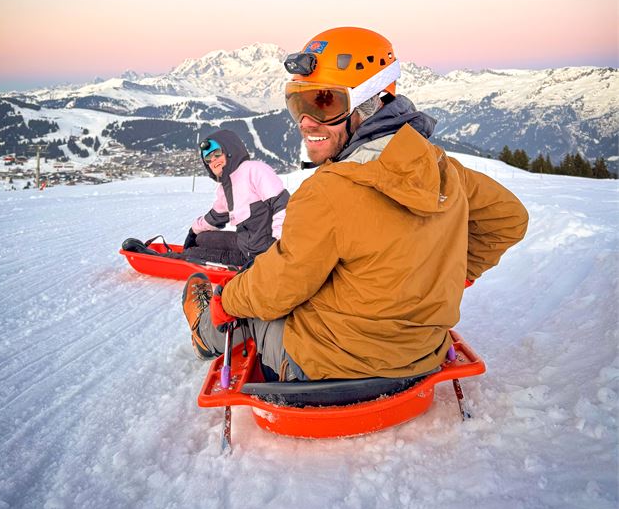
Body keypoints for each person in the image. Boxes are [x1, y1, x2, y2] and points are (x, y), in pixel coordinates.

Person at [183, 27, 529, 379]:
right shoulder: (439, 167)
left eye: (324, 104)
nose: (306, 123)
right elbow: (508, 218)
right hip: (423, 352)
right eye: (298, 104)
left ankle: (205, 334)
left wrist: (228, 298)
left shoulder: (328, 191)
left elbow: (278, 288)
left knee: (252, 311)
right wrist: (447, 277)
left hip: (330, 364)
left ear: (369, 102)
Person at [182, 128, 289, 268]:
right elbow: (214, 217)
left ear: (230, 150)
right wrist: (193, 231)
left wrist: (279, 249)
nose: (213, 160)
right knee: (201, 238)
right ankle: (189, 250)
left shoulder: (254, 170)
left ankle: (165, 258)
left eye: (217, 153)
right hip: (243, 245)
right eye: (208, 158)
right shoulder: (225, 187)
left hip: (261, 255)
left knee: (191, 255)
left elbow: (283, 205)